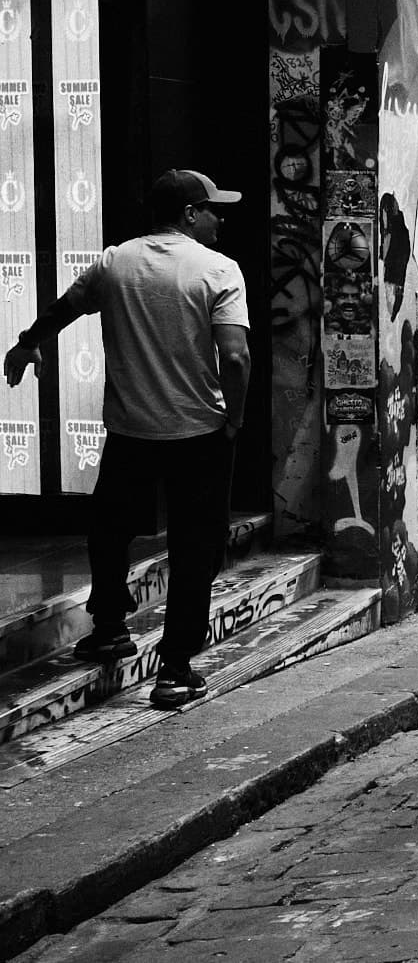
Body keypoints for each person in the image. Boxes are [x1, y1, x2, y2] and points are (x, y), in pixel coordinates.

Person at [3, 169, 251, 711]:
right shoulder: (218, 270)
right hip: (200, 434)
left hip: (130, 431)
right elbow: (234, 356)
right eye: (214, 208)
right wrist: (234, 418)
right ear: (189, 214)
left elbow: (63, 309)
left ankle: (110, 625)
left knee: (108, 530)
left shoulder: (115, 262)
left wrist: (27, 345)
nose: (221, 217)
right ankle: (176, 669)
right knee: (194, 547)